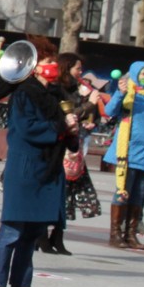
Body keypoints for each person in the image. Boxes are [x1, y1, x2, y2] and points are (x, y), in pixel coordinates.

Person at [0, 58, 76, 287]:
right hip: (26, 168)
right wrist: (60, 127)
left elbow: (62, 129)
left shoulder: (56, 95)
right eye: (47, 61)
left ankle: (21, 286)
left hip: (47, 168)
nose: (52, 66)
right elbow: (27, 128)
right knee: (13, 229)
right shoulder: (24, 93)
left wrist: (71, 130)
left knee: (33, 232)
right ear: (35, 67)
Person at [103, 62, 144, 250]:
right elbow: (109, 112)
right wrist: (119, 93)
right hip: (129, 154)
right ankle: (115, 234)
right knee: (123, 194)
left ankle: (131, 234)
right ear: (134, 75)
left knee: (139, 196)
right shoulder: (130, 95)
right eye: (143, 73)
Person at [42, 52, 104, 255]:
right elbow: (66, 115)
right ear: (67, 67)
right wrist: (89, 103)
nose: (80, 72)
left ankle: (57, 237)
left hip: (72, 147)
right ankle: (41, 237)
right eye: (77, 68)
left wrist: (87, 103)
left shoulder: (77, 88)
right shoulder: (57, 89)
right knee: (53, 192)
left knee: (67, 196)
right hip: (59, 149)